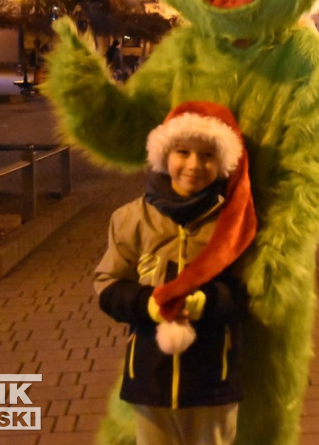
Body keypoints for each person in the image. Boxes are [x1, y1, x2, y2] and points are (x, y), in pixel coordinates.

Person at [94, 101, 256, 445]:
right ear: (164, 153)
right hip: (150, 377)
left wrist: (204, 303)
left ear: (224, 163)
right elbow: (107, 286)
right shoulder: (131, 219)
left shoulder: (233, 224)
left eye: (208, 155)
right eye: (182, 151)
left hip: (214, 380)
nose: (194, 165)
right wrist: (149, 305)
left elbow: (246, 294)